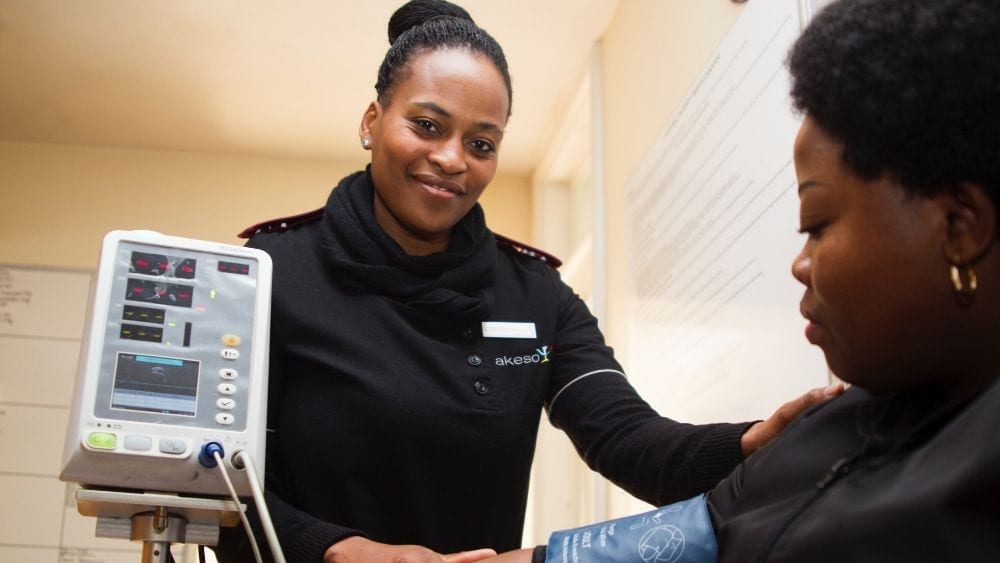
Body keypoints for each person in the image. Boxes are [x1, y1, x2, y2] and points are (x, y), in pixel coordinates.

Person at [213, 1, 837, 561]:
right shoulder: (272, 274)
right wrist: (340, 551)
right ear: (372, 121)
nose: (452, 159)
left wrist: (752, 442)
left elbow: (628, 439)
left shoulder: (537, 301)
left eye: (481, 143)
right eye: (427, 125)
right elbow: (218, 486)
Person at [490, 0, 1000, 561]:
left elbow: (626, 438)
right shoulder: (837, 421)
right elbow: (700, 530)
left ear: (960, 228)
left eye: (816, 225)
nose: (799, 264)